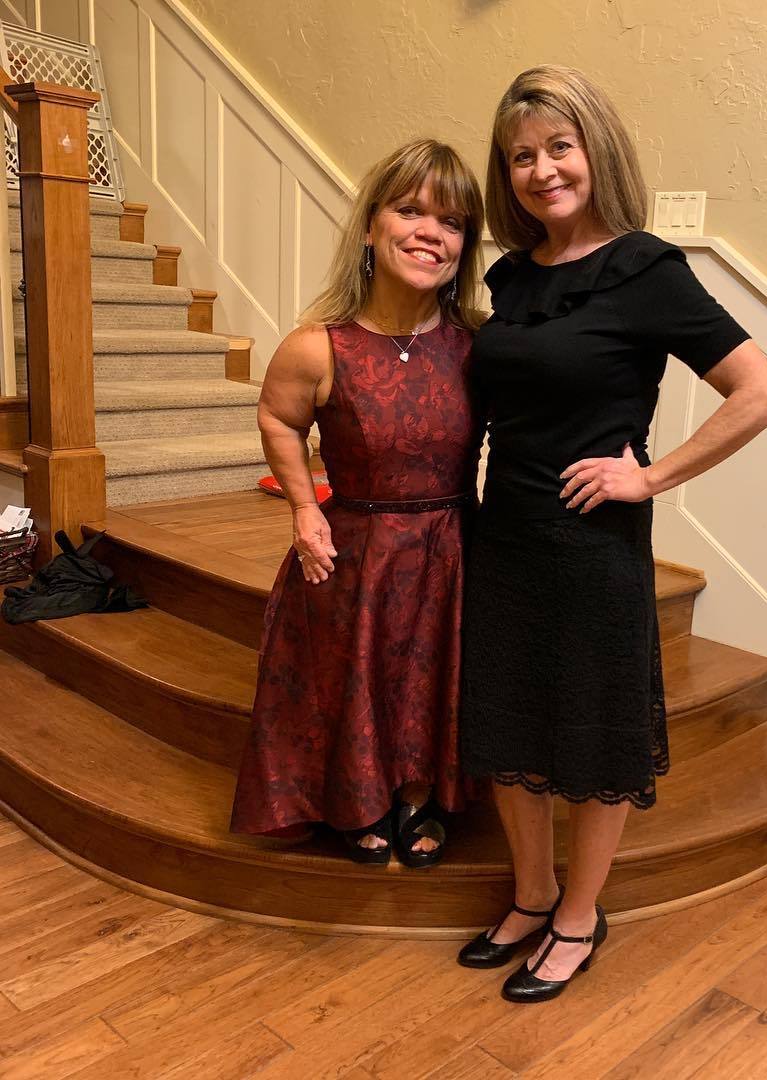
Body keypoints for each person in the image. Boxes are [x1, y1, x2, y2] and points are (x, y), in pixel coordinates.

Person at [456, 66, 767, 1000]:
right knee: (509, 718)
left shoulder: (647, 269)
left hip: (593, 546)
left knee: (592, 732)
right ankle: (531, 894)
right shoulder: (512, 276)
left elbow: (762, 394)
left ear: (596, 149)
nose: (542, 170)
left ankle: (577, 916)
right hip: (505, 534)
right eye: (521, 155)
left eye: (560, 147)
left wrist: (648, 477)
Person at [230, 139, 485, 869]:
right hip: (356, 550)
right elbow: (279, 418)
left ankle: (420, 795)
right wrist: (303, 507)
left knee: (430, 675)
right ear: (372, 225)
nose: (430, 233)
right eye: (410, 211)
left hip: (451, 546)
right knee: (358, 674)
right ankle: (357, 799)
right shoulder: (318, 345)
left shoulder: (479, 343)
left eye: (452, 222)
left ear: (464, 246)